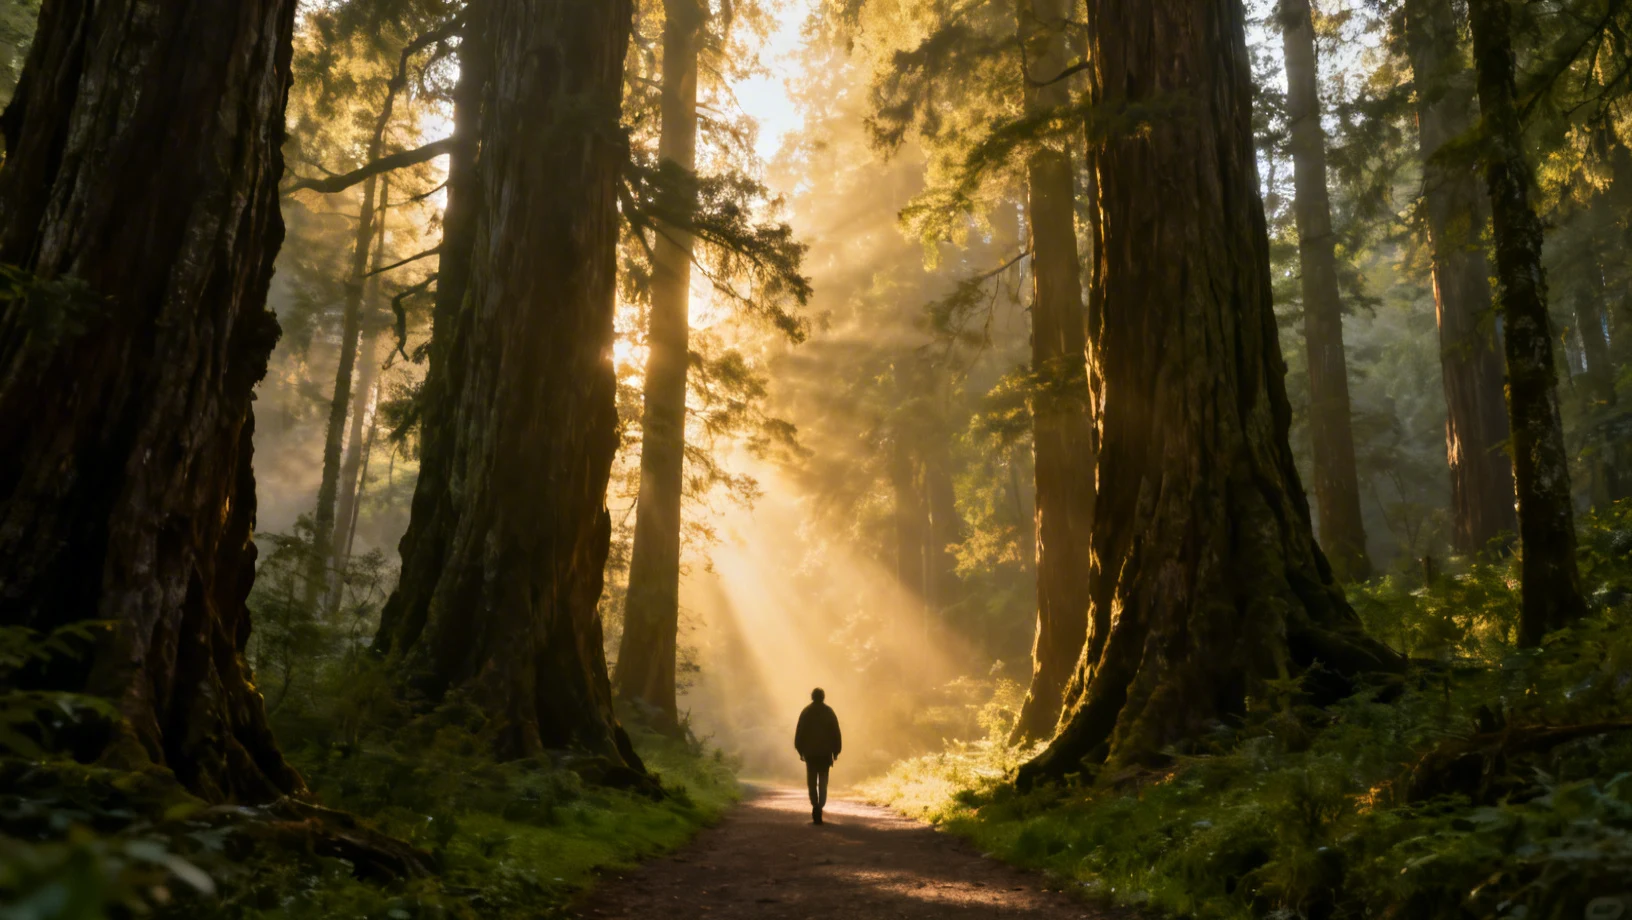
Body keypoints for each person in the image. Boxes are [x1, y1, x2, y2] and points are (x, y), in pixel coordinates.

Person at [794, 687, 842, 825]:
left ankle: (815, 804)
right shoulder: (829, 712)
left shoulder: (806, 712)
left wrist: (800, 750)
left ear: (812, 697)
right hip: (825, 754)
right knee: (823, 781)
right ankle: (820, 805)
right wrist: (836, 751)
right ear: (823, 697)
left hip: (810, 754)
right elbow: (836, 733)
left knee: (811, 781)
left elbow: (799, 732)